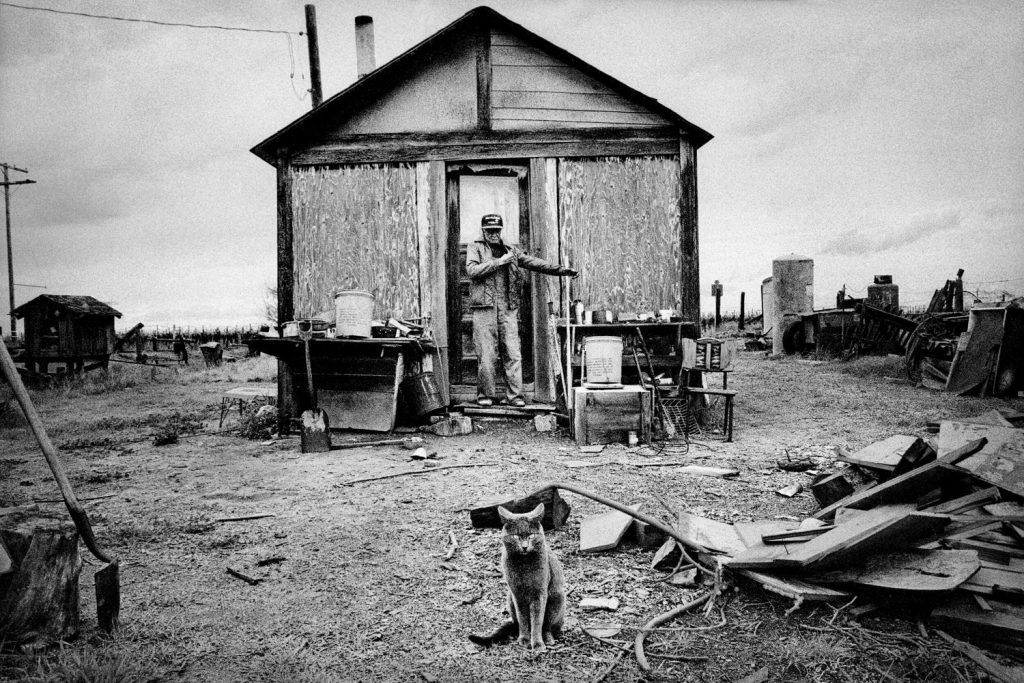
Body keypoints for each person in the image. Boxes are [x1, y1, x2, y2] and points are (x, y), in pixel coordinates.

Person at [466, 213, 577, 407]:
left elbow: (533, 262)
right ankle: (485, 396)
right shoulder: (475, 247)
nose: (493, 234)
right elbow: (472, 270)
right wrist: (500, 262)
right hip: (484, 308)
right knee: (487, 355)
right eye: (489, 231)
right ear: (483, 231)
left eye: (496, 230)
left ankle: (515, 396)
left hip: (507, 308)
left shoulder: (511, 250)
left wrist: (561, 270)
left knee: (513, 353)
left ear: (501, 230)